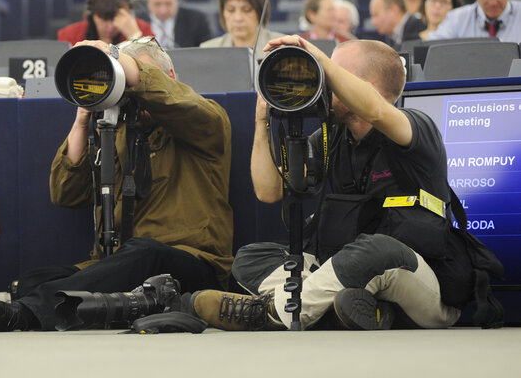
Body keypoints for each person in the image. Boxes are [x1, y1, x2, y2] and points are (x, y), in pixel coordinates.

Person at [190, 37, 474, 331]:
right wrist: (262, 120)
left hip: (419, 280)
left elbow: (376, 112)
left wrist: (316, 57)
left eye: (330, 75)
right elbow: (268, 191)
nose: (321, 83)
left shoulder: (415, 126)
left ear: (367, 87)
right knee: (251, 256)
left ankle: (269, 313)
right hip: (349, 272)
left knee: (378, 249)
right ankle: (355, 310)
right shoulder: (333, 139)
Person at [0, 38, 234, 332]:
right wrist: (84, 114)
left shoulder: (207, 120)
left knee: (146, 253)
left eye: (138, 79)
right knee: (34, 279)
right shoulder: (114, 130)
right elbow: (66, 194)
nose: (136, 93)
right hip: (124, 263)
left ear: (169, 78)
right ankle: (123, 305)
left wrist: (116, 58)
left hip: (193, 262)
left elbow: (178, 103)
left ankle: (23, 315)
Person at [200, 0, 286, 63]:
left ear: (260, 12)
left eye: (247, 10)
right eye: (230, 10)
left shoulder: (282, 47)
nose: (238, 18)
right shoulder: (206, 50)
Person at [57, 0, 153, 46]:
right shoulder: (70, 35)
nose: (109, 27)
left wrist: (135, 36)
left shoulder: (143, 31)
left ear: (128, 14)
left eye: (115, 18)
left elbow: (156, 71)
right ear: (91, 14)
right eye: (103, 19)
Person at [137, 0, 211, 48]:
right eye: (157, 4)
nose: (163, 11)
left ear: (177, 0)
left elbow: (206, 54)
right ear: (148, 2)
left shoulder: (196, 20)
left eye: (168, 4)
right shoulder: (136, 21)